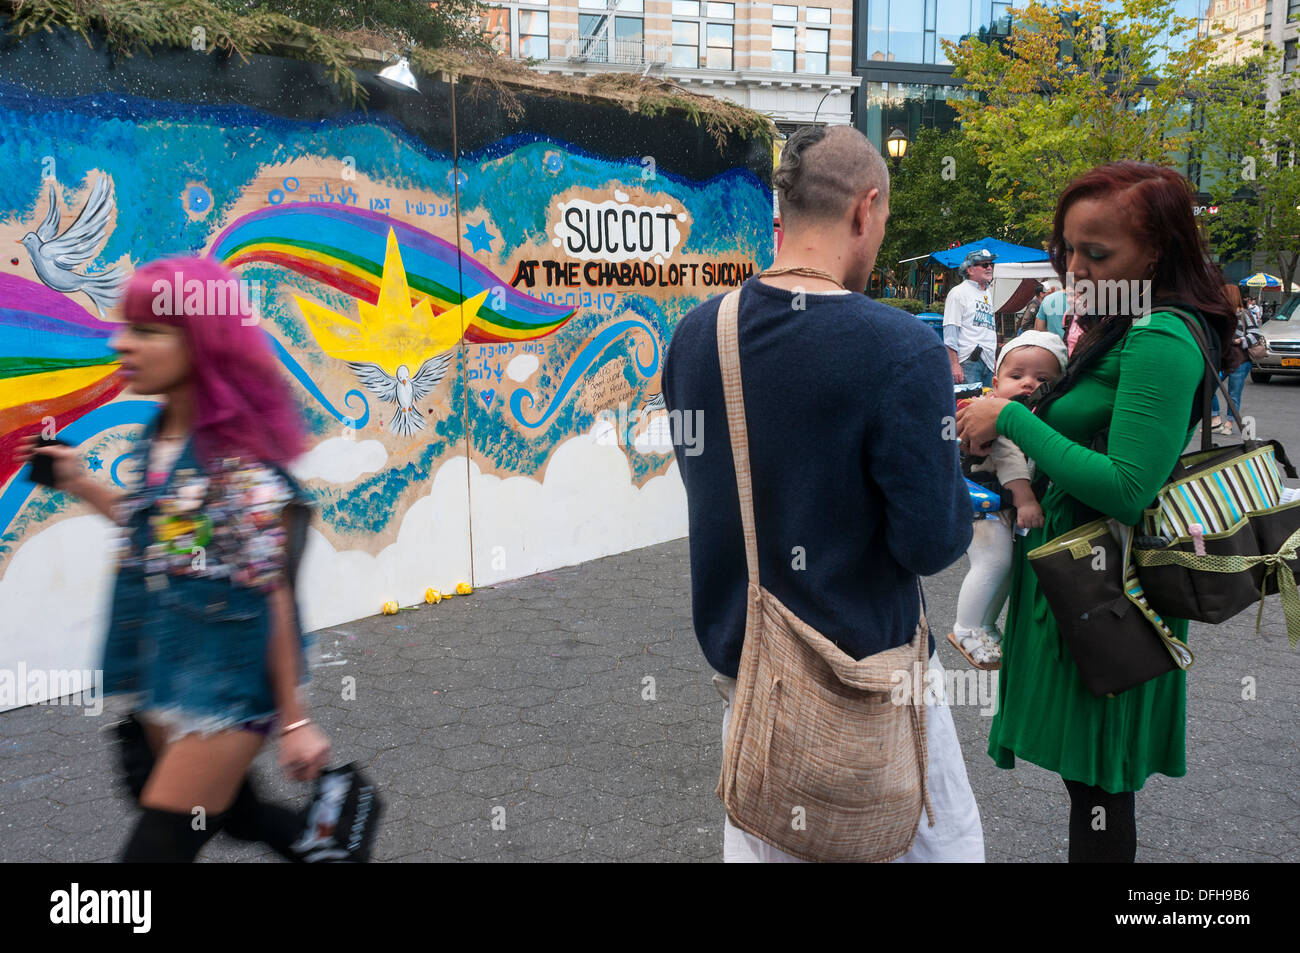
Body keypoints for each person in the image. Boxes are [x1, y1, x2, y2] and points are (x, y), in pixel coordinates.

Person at [662, 124, 983, 863]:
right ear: (865, 209)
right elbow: (931, 542)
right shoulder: (902, 349)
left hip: (754, 695)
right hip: (874, 694)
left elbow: (720, 491)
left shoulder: (695, 336)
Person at [956, 162, 1238, 863]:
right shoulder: (1126, 322)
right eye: (1067, 249)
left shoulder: (1159, 337)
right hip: (1083, 578)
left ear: (1158, 250)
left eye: (1097, 253)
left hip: (1111, 589)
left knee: (1102, 789)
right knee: (1091, 789)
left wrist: (1012, 420)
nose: (1074, 267)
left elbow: (1126, 487)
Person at [17, 257, 331, 862]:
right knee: (241, 814)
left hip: (225, 694)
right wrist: (80, 482)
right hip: (170, 674)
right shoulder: (161, 440)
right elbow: (169, 540)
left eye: (147, 331)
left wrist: (295, 722)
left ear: (202, 346)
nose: (121, 342)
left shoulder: (235, 468)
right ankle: (329, 850)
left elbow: (274, 593)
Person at [949, 331, 1068, 669]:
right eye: (1017, 377)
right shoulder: (996, 414)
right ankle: (966, 627)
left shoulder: (1036, 414)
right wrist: (1026, 500)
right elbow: (1010, 459)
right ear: (996, 380)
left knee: (1006, 566)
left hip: (999, 506)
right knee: (993, 563)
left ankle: (984, 624)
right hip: (985, 505)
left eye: (1042, 378)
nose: (1028, 383)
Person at [1211, 283, 1262, 435]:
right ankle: (1216, 419)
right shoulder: (1220, 314)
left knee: (1234, 393)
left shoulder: (1244, 314)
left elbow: (1255, 335)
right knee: (1209, 388)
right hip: (1223, 359)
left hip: (1240, 360)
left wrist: (1241, 341)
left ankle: (1228, 423)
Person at [944, 249, 998, 388]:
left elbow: (988, 329)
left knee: (987, 406)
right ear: (970, 270)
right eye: (984, 265)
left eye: (991, 264)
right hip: (968, 361)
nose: (990, 267)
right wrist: (954, 364)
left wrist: (995, 361)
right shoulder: (958, 292)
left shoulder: (987, 292)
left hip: (989, 362)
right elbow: (950, 329)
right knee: (969, 407)